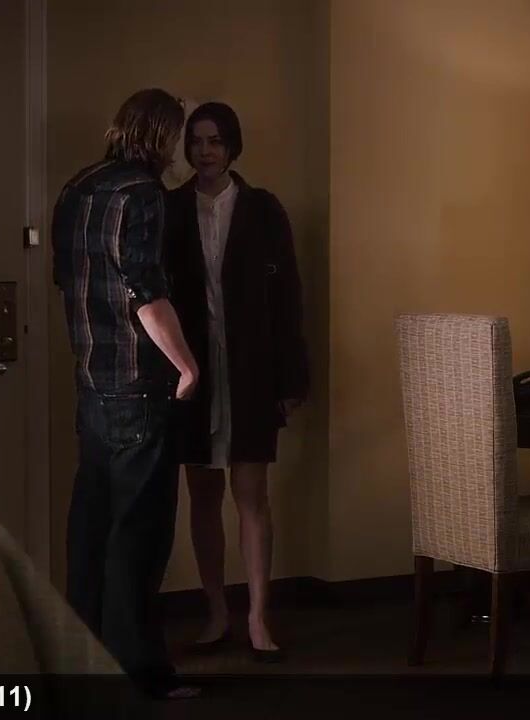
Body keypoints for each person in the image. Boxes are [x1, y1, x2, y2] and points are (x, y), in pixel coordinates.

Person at [51, 88, 200, 698]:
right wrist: (186, 365)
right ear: (162, 135)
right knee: (139, 534)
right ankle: (141, 673)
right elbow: (146, 290)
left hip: (92, 381)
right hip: (139, 384)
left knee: (91, 527)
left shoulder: (78, 186)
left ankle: (81, 664)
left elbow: (66, 280)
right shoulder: (143, 193)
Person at [164, 101, 309, 663]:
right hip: (193, 371)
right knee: (202, 496)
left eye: (215, 141)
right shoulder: (172, 209)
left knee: (252, 495)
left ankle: (257, 616)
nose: (205, 151)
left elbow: (288, 297)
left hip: (251, 370)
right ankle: (216, 611)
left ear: (232, 147)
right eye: (197, 141)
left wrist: (291, 377)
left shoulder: (263, 209)